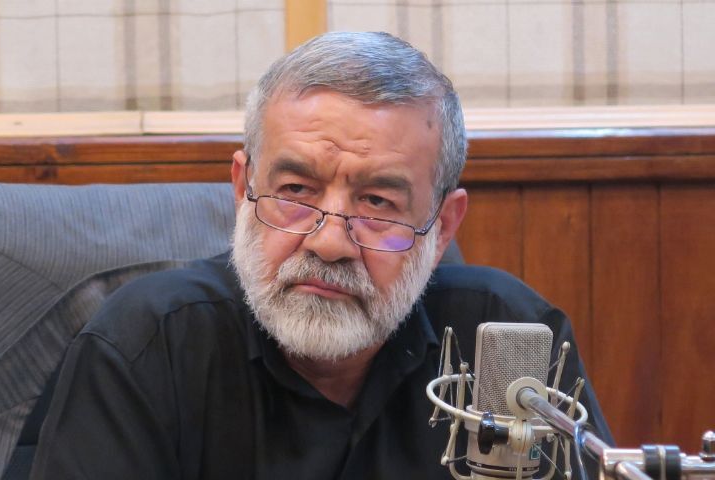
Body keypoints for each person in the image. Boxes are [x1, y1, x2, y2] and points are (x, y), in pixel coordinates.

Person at [31, 31, 612, 479]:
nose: (329, 242)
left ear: (441, 228)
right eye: (296, 191)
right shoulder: (145, 346)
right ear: (243, 189)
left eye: (378, 202)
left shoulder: (507, 341)